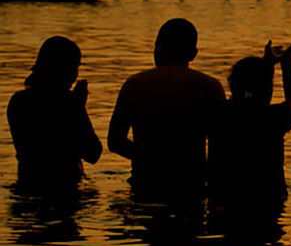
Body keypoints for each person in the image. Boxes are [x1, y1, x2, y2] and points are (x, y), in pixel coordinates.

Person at [108, 18, 225, 202]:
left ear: (158, 47)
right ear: (193, 54)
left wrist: (148, 158)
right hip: (191, 186)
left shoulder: (135, 84)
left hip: (145, 183)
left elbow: (115, 142)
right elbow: (220, 146)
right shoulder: (210, 87)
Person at [208, 41, 291, 210]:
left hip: (222, 200)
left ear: (231, 83)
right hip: (268, 201)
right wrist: (286, 63)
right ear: (268, 86)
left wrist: (267, 65)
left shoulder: (216, 115)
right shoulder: (274, 118)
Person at [7, 36, 102, 194]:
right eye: (74, 67)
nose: (75, 74)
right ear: (64, 69)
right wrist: (79, 108)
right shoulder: (69, 103)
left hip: (27, 185)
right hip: (66, 190)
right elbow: (92, 153)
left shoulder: (18, 101)